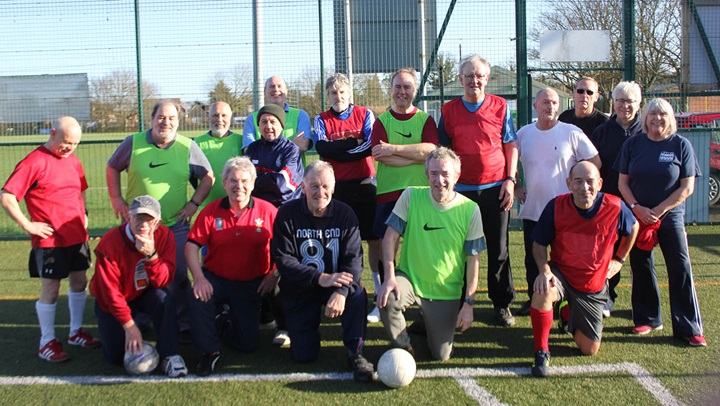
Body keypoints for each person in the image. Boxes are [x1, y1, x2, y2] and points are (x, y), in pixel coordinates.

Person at [106, 100, 215, 339]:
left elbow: (208, 177)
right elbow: (112, 167)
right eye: (161, 117)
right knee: (136, 273)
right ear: (152, 119)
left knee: (177, 275)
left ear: (178, 121)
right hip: (139, 227)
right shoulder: (132, 143)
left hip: (174, 225)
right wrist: (116, 198)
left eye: (172, 118)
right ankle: (141, 319)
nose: (166, 122)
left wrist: (193, 203)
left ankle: (182, 322)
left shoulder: (187, 146)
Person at [0, 116, 101, 362]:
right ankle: (46, 342)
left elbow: (81, 189)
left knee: (79, 282)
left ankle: (75, 332)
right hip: (50, 240)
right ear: (53, 133)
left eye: (75, 144)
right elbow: (7, 196)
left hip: (77, 236)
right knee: (52, 289)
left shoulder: (73, 161)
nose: (70, 148)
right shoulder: (33, 162)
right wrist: (28, 225)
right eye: (66, 142)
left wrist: (84, 214)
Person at [528, 161, 638, 378]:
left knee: (589, 349)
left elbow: (633, 227)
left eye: (590, 181)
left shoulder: (615, 207)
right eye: (578, 181)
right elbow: (539, 244)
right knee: (543, 289)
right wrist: (544, 270)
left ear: (600, 184)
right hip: (561, 274)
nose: (584, 187)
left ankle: (566, 313)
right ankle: (541, 351)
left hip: (592, 284)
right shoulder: (556, 206)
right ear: (569, 184)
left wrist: (620, 259)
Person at [377, 147, 485, 361]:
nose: (439, 180)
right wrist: (389, 277)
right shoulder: (411, 196)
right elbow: (389, 237)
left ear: (456, 176)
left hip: (445, 291)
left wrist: (469, 303)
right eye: (434, 173)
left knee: (441, 355)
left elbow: (474, 261)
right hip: (410, 278)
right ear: (426, 174)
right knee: (387, 298)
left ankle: (427, 322)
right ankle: (405, 349)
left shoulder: (470, 209)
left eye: (445, 174)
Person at [271, 160, 374, 383]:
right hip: (301, 287)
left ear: (333, 188)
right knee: (304, 356)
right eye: (314, 186)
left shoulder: (345, 214)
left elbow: (354, 260)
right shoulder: (287, 214)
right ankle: (302, 332)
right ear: (303, 187)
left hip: (335, 285)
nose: (321, 192)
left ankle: (356, 352)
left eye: (326, 186)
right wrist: (320, 278)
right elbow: (283, 260)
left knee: (356, 294)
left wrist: (342, 292)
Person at [615, 98, 706, 347]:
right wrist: (637, 208)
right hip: (639, 216)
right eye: (652, 114)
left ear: (671, 118)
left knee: (680, 267)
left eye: (663, 114)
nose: (657, 118)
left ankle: (689, 327)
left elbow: (687, 187)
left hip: (669, 217)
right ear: (645, 118)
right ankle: (648, 318)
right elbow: (623, 182)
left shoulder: (681, 145)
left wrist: (658, 210)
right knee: (641, 266)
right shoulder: (633, 144)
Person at [438, 54, 518, 326]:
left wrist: (510, 179)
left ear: (487, 78)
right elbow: (443, 152)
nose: (475, 80)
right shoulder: (448, 110)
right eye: (469, 76)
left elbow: (511, 145)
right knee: (458, 250)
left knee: (499, 248)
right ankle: (458, 302)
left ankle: (501, 303)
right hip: (460, 192)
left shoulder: (501, 106)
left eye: (479, 76)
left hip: (496, 188)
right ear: (460, 79)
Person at [186, 157, 278, 376]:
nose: (239, 186)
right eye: (234, 181)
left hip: (252, 283)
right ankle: (209, 351)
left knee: (247, 345)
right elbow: (191, 247)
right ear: (224, 183)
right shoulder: (211, 211)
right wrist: (199, 278)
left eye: (245, 181)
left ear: (253, 183)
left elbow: (285, 249)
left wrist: (274, 274)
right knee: (197, 296)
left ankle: (222, 320)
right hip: (216, 278)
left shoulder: (268, 211)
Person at [516, 88, 601, 316]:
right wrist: (515, 186)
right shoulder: (524, 133)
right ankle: (535, 300)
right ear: (535, 106)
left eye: (554, 102)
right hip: (534, 209)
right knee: (532, 258)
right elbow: (509, 159)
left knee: (566, 259)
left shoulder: (571, 132)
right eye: (545, 102)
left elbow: (595, 162)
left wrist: (581, 186)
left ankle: (567, 301)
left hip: (565, 212)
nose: (550, 106)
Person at [90, 195, 188, 377]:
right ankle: (135, 325)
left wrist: (152, 256)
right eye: (138, 218)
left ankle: (170, 354)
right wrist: (129, 327)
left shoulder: (165, 236)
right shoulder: (109, 244)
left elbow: (163, 281)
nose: (144, 225)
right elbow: (110, 294)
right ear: (129, 217)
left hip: (143, 292)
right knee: (115, 357)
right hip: (113, 300)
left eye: (149, 220)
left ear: (158, 223)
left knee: (164, 298)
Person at [369, 67, 438, 323]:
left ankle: (421, 297)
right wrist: (415, 157)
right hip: (388, 193)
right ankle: (382, 297)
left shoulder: (425, 120)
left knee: (420, 247)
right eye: (397, 86)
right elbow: (380, 155)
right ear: (391, 90)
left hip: (419, 193)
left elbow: (430, 150)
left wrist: (394, 149)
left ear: (414, 90)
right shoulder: (381, 122)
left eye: (407, 87)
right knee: (385, 246)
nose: (402, 91)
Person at [313, 72, 381, 321]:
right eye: (333, 93)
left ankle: (378, 294)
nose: (338, 96)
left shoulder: (365, 114)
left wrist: (338, 152)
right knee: (337, 242)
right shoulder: (321, 119)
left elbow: (369, 145)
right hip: (336, 188)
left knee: (374, 240)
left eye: (342, 92)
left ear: (350, 94)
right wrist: (352, 144)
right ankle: (341, 292)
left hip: (364, 184)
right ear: (328, 95)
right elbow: (322, 147)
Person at [590, 81, 643, 317]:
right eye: (620, 101)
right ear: (613, 103)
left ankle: (643, 307)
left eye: (630, 101)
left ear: (638, 104)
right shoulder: (601, 132)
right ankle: (607, 298)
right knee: (607, 252)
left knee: (640, 257)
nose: (625, 106)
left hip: (640, 204)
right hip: (609, 202)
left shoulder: (646, 131)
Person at [245, 104, 304, 207]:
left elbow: (283, 184)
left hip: (285, 207)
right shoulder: (253, 148)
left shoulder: (291, 150)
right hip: (258, 207)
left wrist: (255, 178)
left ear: (281, 126)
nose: (268, 126)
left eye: (273, 122)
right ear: (259, 126)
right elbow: (244, 179)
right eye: (264, 122)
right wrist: (270, 177)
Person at [242, 76, 313, 156]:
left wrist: (265, 150)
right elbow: (249, 150)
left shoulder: (300, 115)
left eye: (279, 86)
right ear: (265, 92)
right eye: (272, 86)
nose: (276, 89)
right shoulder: (252, 119)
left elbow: (303, 145)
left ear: (286, 91)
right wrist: (292, 145)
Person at [195, 101, 243, 210]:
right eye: (215, 115)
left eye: (224, 115)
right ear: (208, 118)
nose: (219, 119)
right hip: (207, 208)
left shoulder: (241, 141)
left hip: (236, 207)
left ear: (231, 118)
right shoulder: (197, 143)